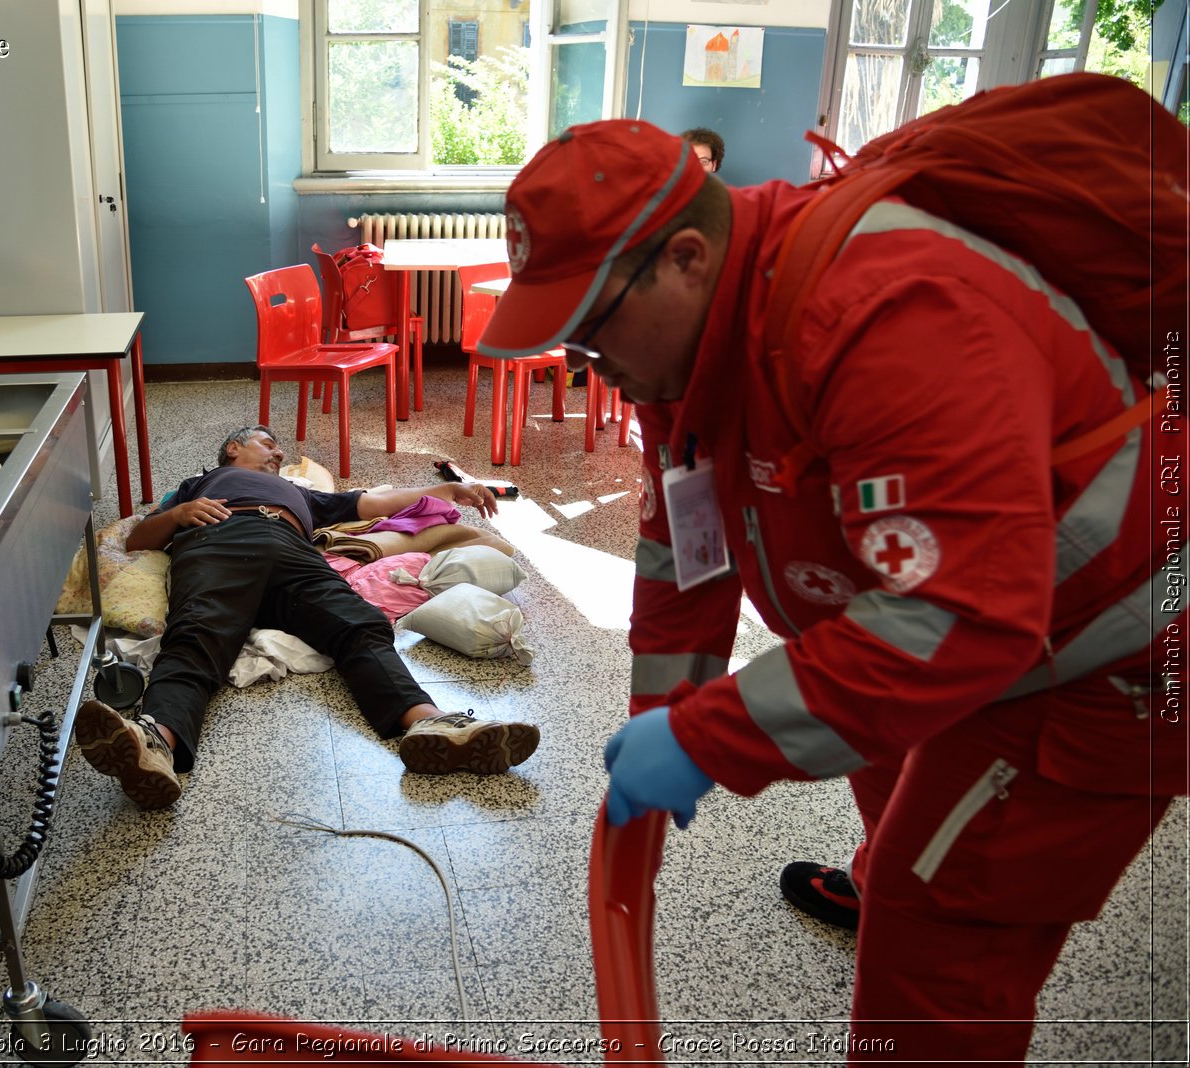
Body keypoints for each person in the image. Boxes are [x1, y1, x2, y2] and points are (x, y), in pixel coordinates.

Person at [477, 120, 1181, 1061]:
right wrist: (662, 713)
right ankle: (896, 871)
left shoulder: (890, 312)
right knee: (891, 800)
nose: (590, 368)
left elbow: (959, 616)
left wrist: (706, 738)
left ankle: (912, 903)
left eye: (591, 335)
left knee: (940, 926)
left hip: (1111, 653)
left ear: (685, 258)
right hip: (968, 624)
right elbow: (683, 556)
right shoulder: (688, 350)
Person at [76, 425, 540, 809]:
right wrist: (179, 512)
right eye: (267, 443)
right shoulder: (200, 485)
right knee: (196, 637)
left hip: (294, 554)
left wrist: (451, 488)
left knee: (359, 627)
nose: (278, 453)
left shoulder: (301, 495)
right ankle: (156, 742)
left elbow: (380, 502)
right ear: (233, 449)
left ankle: (430, 722)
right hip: (219, 541)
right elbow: (138, 541)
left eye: (279, 448)